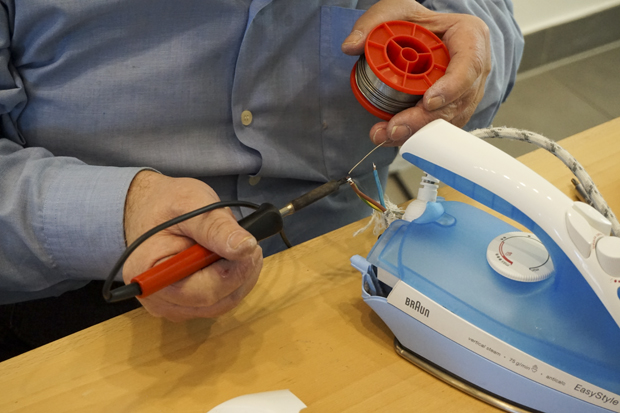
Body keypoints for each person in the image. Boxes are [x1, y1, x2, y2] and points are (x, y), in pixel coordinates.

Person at [0, 0, 523, 357]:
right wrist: (120, 212)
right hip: (76, 303)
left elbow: (489, 22)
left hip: (349, 275)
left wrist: (468, 59)